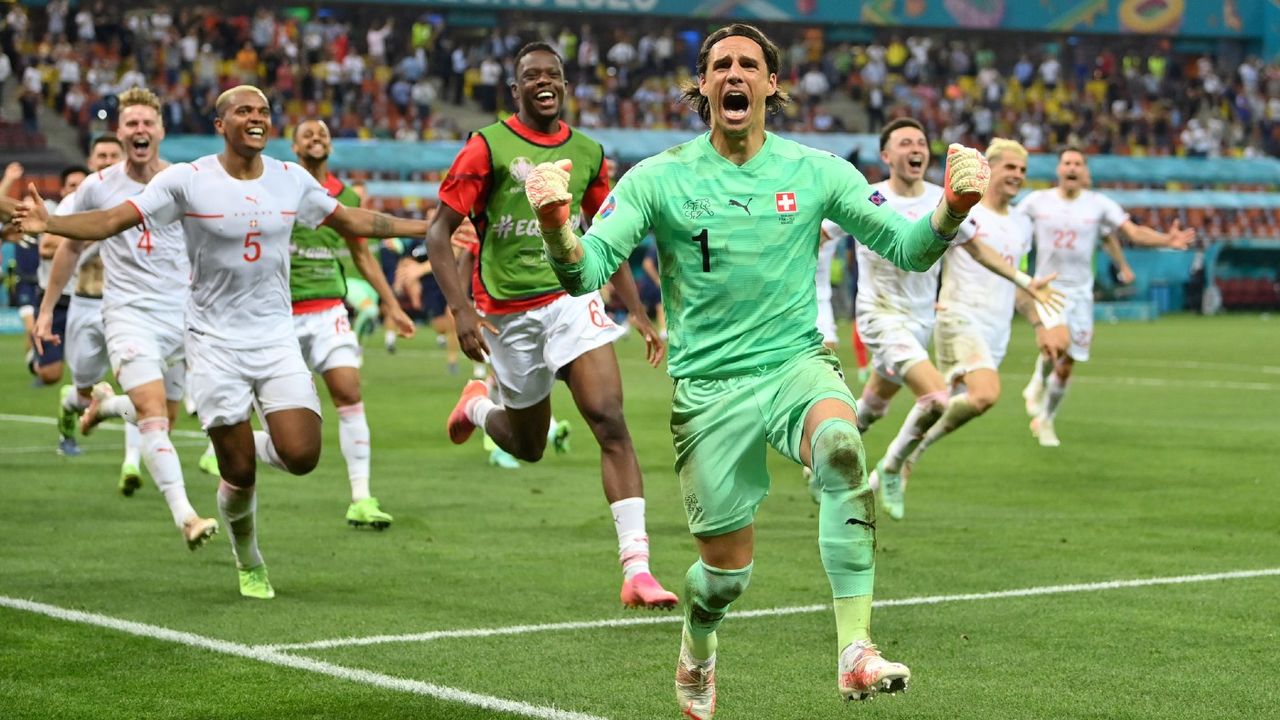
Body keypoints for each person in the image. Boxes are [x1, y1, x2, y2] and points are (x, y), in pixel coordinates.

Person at [521, 23, 988, 715]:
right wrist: (558, 224)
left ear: (772, 84)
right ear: (703, 86)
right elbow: (584, 269)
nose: (733, 75)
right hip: (709, 391)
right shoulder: (660, 177)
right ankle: (698, 646)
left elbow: (909, 247)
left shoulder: (819, 170)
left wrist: (951, 207)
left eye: (748, 65)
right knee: (724, 577)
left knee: (840, 449)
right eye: (720, 66)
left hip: (794, 366)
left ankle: (855, 650)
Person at [15, 85, 429, 600]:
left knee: (302, 454)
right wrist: (49, 221)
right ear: (220, 124)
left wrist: (430, 225)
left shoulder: (289, 179)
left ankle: (214, 437)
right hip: (212, 343)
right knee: (239, 471)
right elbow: (110, 220)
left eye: (263, 111)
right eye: (243, 111)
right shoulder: (187, 182)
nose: (256, 118)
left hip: (274, 338)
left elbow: (356, 221)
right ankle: (249, 558)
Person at [425, 42, 677, 610]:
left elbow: (608, 235)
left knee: (609, 419)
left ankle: (637, 569)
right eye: (531, 76)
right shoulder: (486, 146)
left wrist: (636, 312)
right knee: (528, 445)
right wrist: (461, 311)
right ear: (515, 91)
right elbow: (439, 234)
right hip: (506, 316)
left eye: (553, 75)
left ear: (565, 86)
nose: (544, 82)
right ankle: (475, 406)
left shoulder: (588, 152)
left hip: (571, 299)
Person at [36, 92, 222, 549]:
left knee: (162, 417)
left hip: (181, 317)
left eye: (147, 122)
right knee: (153, 415)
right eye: (131, 123)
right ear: (120, 133)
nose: (140, 129)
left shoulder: (186, 180)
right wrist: (45, 309)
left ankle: (105, 406)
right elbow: (67, 245)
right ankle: (187, 517)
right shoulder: (98, 186)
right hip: (127, 314)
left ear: (160, 131)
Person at [900, 138, 1065, 476]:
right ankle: (904, 457)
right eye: (1010, 167)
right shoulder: (964, 211)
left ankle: (894, 459)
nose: (1017, 175)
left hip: (996, 328)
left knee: (942, 403)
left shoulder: (1023, 223)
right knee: (985, 394)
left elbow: (1017, 283)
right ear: (990, 170)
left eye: (1023, 170)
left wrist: (1038, 324)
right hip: (959, 315)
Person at [288, 118, 416, 529]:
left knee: (348, 391)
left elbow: (362, 254)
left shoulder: (341, 196)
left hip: (327, 310)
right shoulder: (279, 188)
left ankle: (360, 497)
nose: (316, 137)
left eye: (323, 133)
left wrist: (391, 305)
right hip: (279, 315)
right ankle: (227, 447)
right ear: (293, 147)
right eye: (307, 133)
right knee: (289, 423)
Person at [1019, 148, 1194, 446]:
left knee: (1069, 362)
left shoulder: (1098, 205)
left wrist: (1166, 240)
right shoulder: (1037, 201)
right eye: (1066, 163)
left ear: (1084, 172)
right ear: (1058, 170)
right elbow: (1010, 225)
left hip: (1081, 294)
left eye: (1077, 163)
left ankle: (1046, 419)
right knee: (1056, 345)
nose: (1071, 168)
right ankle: (1036, 382)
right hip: (1049, 289)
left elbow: (1131, 233)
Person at [30, 166, 87, 390]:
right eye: (72, 186)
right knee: (51, 374)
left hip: (85, 298)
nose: (77, 190)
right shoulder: (56, 213)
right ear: (63, 190)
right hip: (56, 299)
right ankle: (35, 360)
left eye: (82, 185)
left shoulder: (100, 212)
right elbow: (46, 248)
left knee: (87, 372)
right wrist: (92, 236)